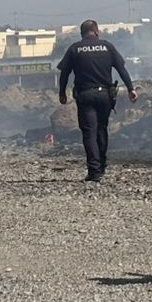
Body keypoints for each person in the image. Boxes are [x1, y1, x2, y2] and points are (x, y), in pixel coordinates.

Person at [58, 20, 137, 182]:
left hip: (85, 96)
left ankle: (94, 171)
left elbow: (64, 73)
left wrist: (62, 93)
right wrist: (131, 89)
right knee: (102, 129)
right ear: (97, 31)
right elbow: (122, 69)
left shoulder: (75, 49)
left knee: (89, 132)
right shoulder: (107, 46)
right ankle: (102, 166)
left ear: (82, 33)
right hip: (105, 96)